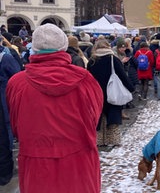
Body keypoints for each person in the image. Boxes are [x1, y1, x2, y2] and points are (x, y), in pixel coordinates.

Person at [7, 23, 103, 192]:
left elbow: (16, 126)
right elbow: (94, 118)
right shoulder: (86, 80)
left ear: (33, 47)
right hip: (79, 164)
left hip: (36, 166)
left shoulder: (17, 83)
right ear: (63, 46)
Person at [88, 39, 134, 149]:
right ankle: (113, 139)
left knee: (99, 116)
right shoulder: (113, 59)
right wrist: (130, 87)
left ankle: (99, 140)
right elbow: (122, 75)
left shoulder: (92, 61)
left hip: (97, 92)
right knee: (113, 117)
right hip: (112, 91)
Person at [0, 43, 23, 186]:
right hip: (3, 104)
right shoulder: (5, 57)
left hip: (3, 103)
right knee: (4, 135)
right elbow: (17, 76)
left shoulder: (4, 57)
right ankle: (4, 173)